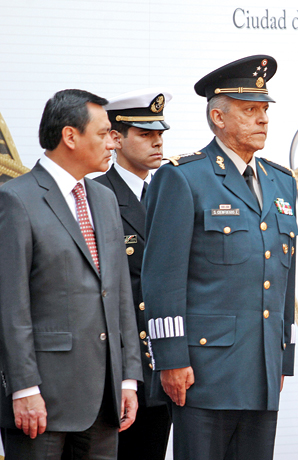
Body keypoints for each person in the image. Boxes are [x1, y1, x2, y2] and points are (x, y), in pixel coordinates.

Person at [141, 55, 298, 460]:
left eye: (264, 110)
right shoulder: (183, 177)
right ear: (218, 117)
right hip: (204, 372)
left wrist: (283, 354)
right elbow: (162, 277)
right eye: (250, 110)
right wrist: (171, 357)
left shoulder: (281, 182)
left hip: (262, 367)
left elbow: (285, 278)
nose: (263, 119)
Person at [0, 89, 142, 459]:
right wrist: (24, 388)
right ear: (70, 136)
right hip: (44, 401)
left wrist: (128, 378)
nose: (113, 141)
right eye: (103, 132)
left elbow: (119, 293)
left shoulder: (105, 199)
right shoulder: (16, 199)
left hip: (105, 400)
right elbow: (10, 305)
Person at [94, 89, 173, 460]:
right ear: (116, 138)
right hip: (116, 365)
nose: (157, 142)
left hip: (164, 362)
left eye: (159, 134)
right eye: (144, 134)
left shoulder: (172, 193)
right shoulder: (96, 195)